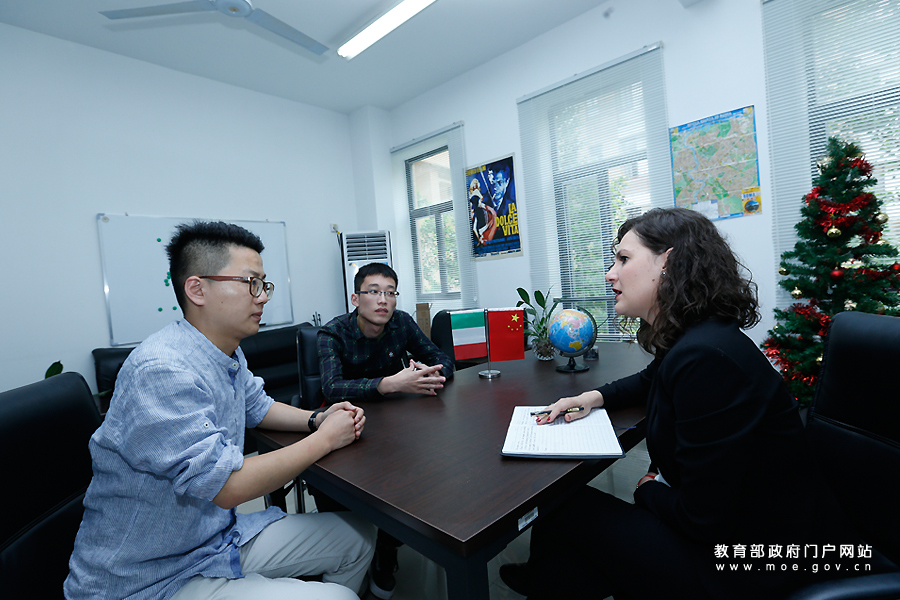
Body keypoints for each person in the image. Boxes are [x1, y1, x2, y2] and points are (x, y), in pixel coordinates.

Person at [499, 208, 880, 600]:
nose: (611, 274)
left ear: (669, 262)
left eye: (624, 259)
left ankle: (553, 580)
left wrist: (648, 488)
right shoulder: (700, 338)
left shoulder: (706, 359)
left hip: (750, 566)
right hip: (757, 533)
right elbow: (651, 379)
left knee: (566, 510)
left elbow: (701, 519)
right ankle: (558, 579)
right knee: (578, 536)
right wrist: (591, 398)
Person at [65, 221, 376, 600]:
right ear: (197, 289)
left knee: (357, 536)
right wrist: (325, 439)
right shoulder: (161, 369)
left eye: (264, 284)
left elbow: (257, 407)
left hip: (212, 541)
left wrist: (316, 419)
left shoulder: (225, 350)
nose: (262, 297)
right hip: (149, 577)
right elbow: (228, 486)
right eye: (250, 283)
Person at [317, 261, 453, 599]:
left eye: (390, 293)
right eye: (374, 292)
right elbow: (332, 387)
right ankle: (347, 548)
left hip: (396, 428)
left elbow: (441, 357)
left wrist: (431, 372)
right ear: (355, 298)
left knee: (412, 481)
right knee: (343, 494)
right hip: (347, 428)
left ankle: (387, 550)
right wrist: (388, 384)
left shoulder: (401, 322)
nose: (383, 300)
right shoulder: (332, 333)